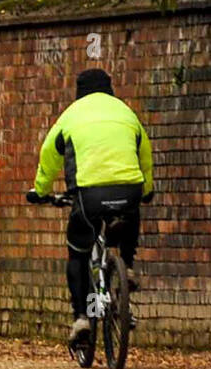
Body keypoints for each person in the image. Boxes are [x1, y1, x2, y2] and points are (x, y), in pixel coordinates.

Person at [27, 68, 153, 346]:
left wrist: (42, 191)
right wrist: (147, 189)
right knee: (130, 213)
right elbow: (144, 151)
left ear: (79, 90)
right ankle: (127, 267)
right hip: (128, 190)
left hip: (89, 197)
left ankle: (82, 316)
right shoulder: (125, 112)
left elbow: (49, 153)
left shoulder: (72, 114)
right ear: (110, 89)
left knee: (78, 251)